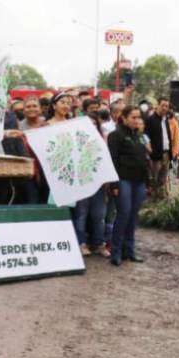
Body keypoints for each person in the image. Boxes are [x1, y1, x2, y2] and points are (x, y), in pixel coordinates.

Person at [107, 106, 149, 267]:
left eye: (139, 117)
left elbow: (144, 160)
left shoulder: (139, 136)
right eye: (133, 117)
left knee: (133, 216)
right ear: (124, 118)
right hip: (123, 180)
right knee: (123, 214)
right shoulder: (115, 135)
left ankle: (129, 251)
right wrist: (114, 184)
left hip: (139, 181)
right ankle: (115, 252)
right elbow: (112, 161)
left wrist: (147, 182)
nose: (137, 120)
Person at [73, 105, 109, 257]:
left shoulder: (104, 139)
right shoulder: (75, 141)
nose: (91, 126)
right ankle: (81, 243)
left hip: (98, 183)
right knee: (81, 213)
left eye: (94, 123)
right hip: (80, 183)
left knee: (98, 214)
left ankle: (98, 243)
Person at [144, 97, 172, 198]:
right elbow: (145, 137)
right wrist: (150, 151)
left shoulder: (166, 120)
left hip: (166, 153)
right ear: (157, 106)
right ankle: (152, 201)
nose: (165, 108)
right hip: (155, 155)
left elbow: (167, 137)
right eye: (163, 105)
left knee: (163, 179)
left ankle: (160, 200)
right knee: (154, 179)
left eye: (167, 106)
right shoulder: (150, 120)